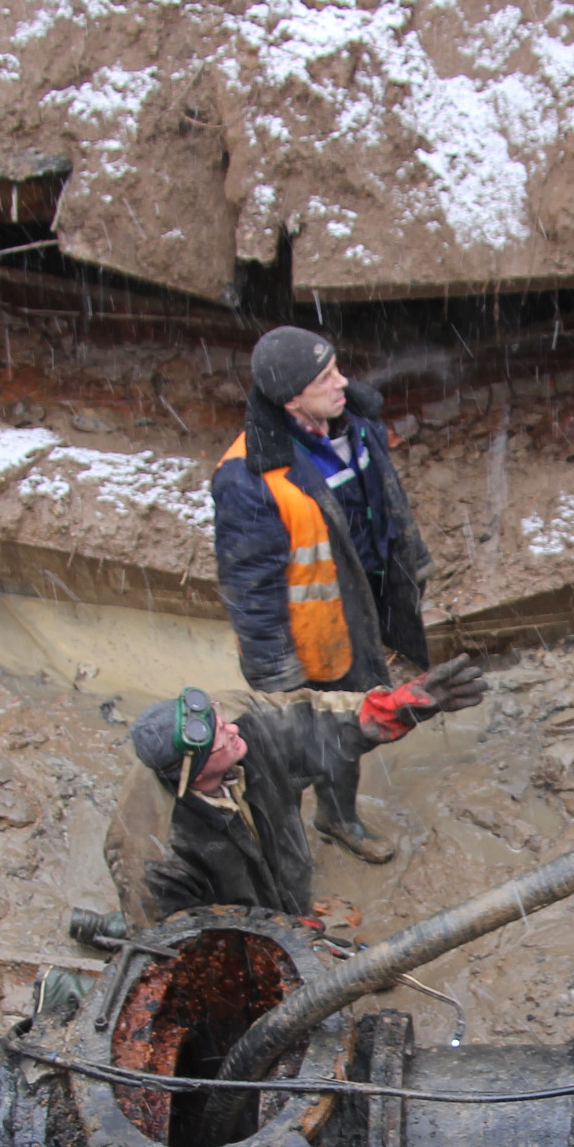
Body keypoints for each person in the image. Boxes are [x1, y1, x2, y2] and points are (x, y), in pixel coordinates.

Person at [209, 324, 435, 864]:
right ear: (291, 398)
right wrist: (277, 674)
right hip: (308, 638)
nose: (344, 382)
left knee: (351, 727)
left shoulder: (356, 423)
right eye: (326, 377)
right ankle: (273, 840)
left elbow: (388, 498)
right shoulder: (249, 477)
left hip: (357, 616)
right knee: (292, 748)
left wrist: (411, 565)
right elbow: (249, 587)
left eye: (338, 367)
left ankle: (337, 817)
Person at [102, 661, 485, 926]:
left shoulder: (237, 718)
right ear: (192, 772)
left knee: (286, 882)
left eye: (222, 724)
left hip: (280, 870)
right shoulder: (149, 854)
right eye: (221, 739)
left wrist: (390, 710)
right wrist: (271, 932)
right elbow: (174, 939)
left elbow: (311, 719)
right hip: (235, 921)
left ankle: (291, 908)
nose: (234, 732)